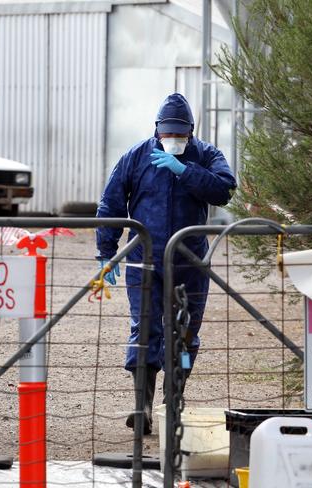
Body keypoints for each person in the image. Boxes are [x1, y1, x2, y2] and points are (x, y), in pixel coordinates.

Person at [95, 93, 237, 434]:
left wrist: (185, 171)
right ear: (156, 130)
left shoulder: (206, 155)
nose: (173, 139)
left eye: (179, 133)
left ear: (190, 131)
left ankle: (173, 401)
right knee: (145, 331)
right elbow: (111, 204)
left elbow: (224, 190)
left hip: (190, 263)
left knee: (185, 334)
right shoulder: (135, 157)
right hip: (145, 262)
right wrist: (106, 250)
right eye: (167, 133)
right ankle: (141, 405)